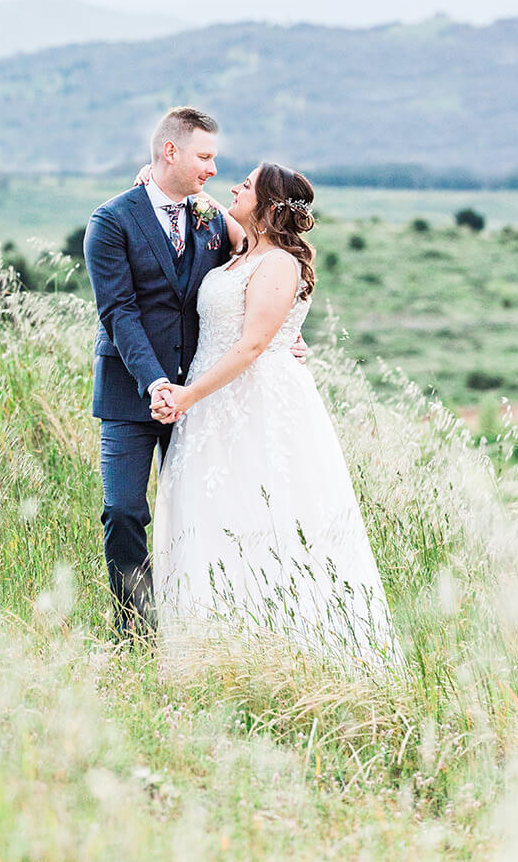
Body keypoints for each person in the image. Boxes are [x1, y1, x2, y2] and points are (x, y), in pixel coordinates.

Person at [151, 162, 403, 671]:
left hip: (252, 401)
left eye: (245, 185)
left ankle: (278, 645)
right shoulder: (248, 246)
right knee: (207, 512)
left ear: (266, 205)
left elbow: (252, 345)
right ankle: (206, 645)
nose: (234, 189)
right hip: (214, 405)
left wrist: (186, 396)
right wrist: (152, 174)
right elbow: (211, 208)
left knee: (261, 514)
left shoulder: (280, 264)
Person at [83, 107, 307, 640]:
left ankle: (211, 626)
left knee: (204, 514)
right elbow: (118, 313)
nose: (212, 168)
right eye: (204, 156)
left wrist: (286, 335)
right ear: (171, 152)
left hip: (206, 396)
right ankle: (135, 631)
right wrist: (158, 384)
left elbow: (263, 269)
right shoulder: (111, 221)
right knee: (124, 512)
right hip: (133, 391)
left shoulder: (212, 220)